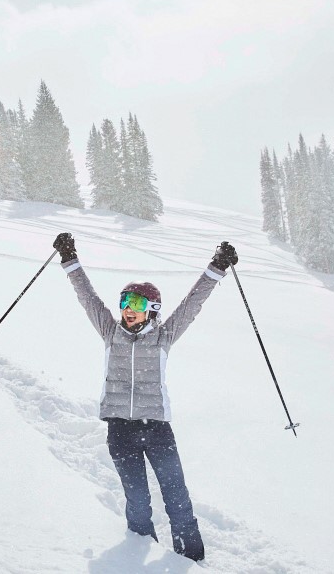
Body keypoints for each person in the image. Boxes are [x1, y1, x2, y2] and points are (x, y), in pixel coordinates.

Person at [52, 232, 238, 562]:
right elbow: (88, 297)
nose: (128, 310)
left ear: (152, 309)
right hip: (120, 431)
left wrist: (217, 267)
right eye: (124, 303)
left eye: (136, 304)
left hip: (157, 430)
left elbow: (192, 304)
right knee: (137, 499)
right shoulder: (111, 333)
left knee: (176, 494)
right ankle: (138, 555)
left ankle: (192, 559)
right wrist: (69, 259)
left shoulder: (164, 336)